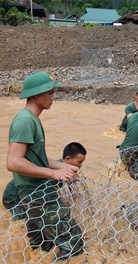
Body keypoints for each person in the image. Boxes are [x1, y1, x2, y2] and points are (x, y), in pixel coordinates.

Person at [6, 72, 84, 260]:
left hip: (35, 192)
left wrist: (62, 167)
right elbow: (13, 162)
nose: (53, 97)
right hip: (36, 194)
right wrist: (52, 174)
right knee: (74, 243)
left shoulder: (32, 119)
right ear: (35, 94)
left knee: (41, 245)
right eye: (49, 92)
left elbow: (37, 157)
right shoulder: (25, 121)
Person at [3, 142, 87, 221]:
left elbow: (75, 194)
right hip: (13, 197)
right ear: (68, 159)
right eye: (79, 162)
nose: (81, 165)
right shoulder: (56, 171)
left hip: (28, 192)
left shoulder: (68, 170)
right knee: (24, 217)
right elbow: (55, 196)